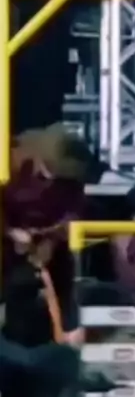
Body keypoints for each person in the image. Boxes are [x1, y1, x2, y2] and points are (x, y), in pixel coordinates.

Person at [3, 123, 93, 348]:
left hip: (48, 238)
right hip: (9, 234)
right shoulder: (11, 158)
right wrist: (10, 232)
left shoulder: (73, 178)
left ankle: (66, 338)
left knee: (63, 274)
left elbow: (74, 211)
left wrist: (51, 241)